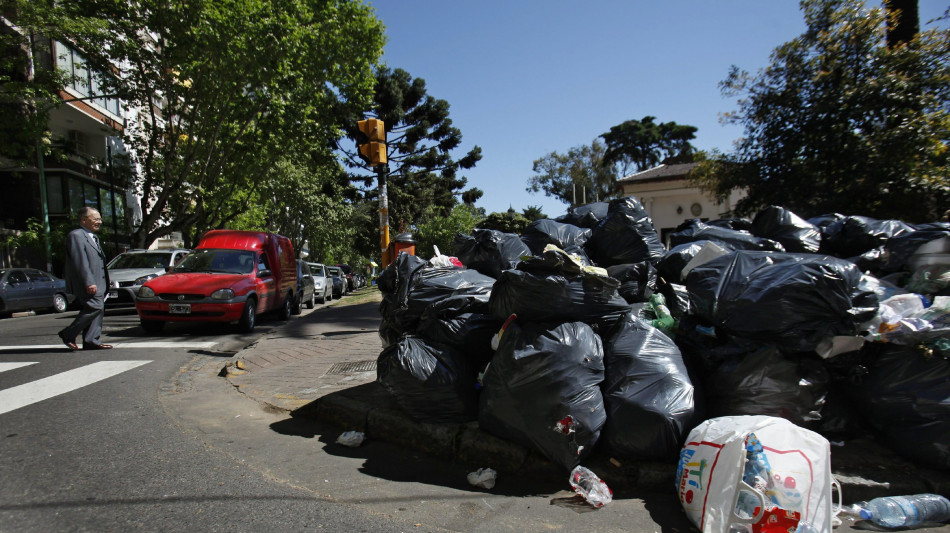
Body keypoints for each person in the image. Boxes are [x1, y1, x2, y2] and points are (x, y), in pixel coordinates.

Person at [58, 207, 112, 350]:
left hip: (99, 282)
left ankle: (91, 340)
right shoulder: (76, 235)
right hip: (89, 282)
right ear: (83, 220)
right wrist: (89, 282)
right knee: (95, 307)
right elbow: (80, 261)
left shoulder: (93, 237)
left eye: (100, 219)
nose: (99, 222)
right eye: (95, 219)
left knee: (98, 309)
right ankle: (68, 333)